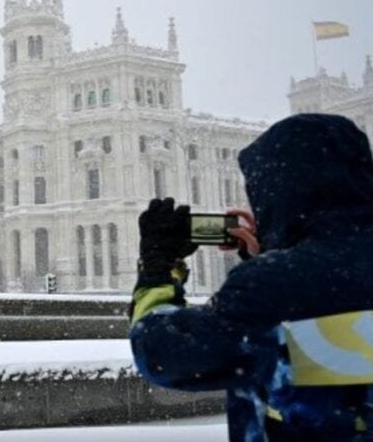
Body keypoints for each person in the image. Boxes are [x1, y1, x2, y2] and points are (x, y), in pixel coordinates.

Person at [129, 113, 373, 441]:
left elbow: (160, 353)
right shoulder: (287, 282)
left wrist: (157, 269)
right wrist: (279, 252)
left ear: (281, 193)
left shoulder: (272, 287)